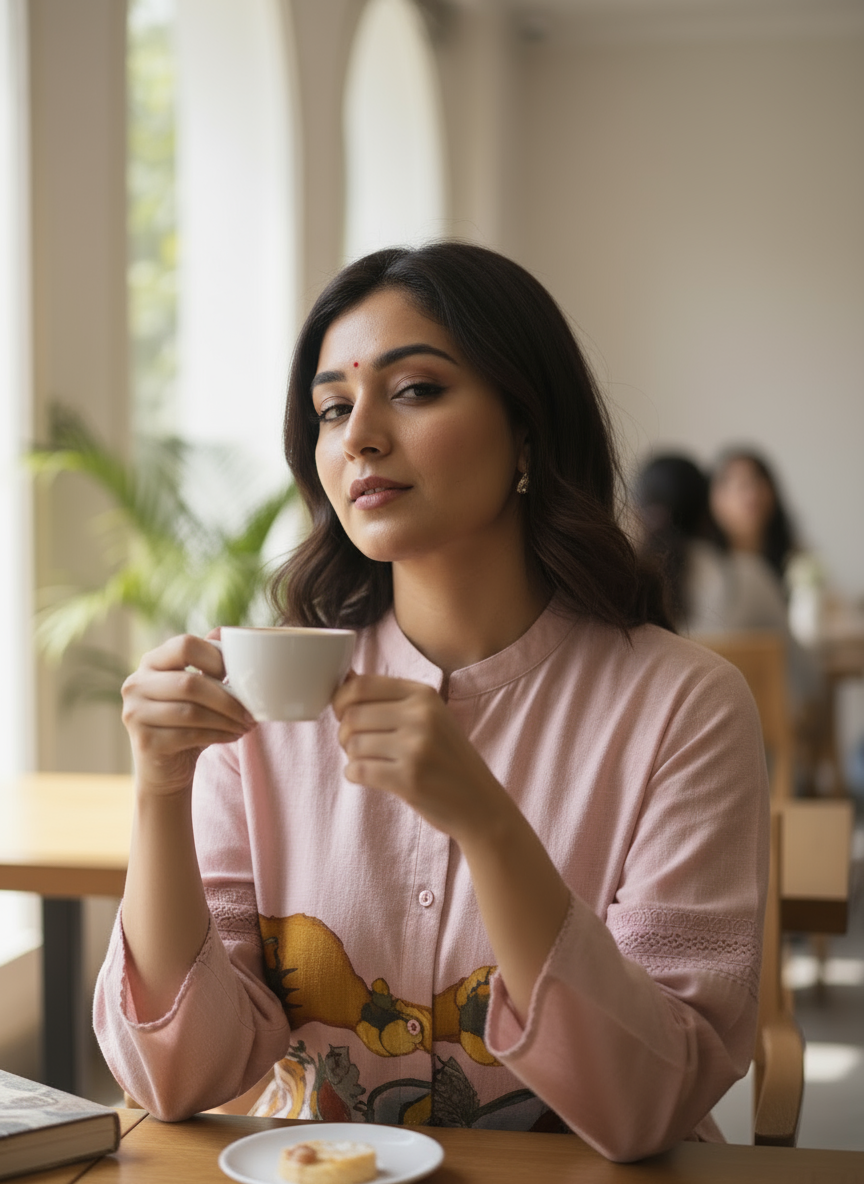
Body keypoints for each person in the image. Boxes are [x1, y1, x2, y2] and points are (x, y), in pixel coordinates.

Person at [94, 243, 768, 1162]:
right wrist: (159, 791)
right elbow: (175, 1076)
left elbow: (647, 1105)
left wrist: (488, 823)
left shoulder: (684, 706)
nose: (360, 434)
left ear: (528, 428)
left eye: (414, 390)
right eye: (333, 407)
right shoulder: (268, 698)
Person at [634, 452, 791, 637]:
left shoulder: (623, 589)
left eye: (756, 481)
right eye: (731, 484)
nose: (749, 494)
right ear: (708, 507)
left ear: (637, 512)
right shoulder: (751, 576)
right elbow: (801, 664)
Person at [708, 448, 797, 584]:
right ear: (713, 499)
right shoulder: (705, 565)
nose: (751, 494)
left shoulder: (796, 560)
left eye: (757, 481)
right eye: (738, 484)